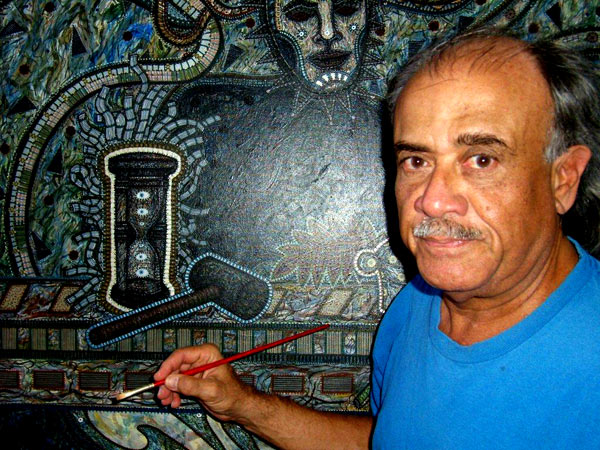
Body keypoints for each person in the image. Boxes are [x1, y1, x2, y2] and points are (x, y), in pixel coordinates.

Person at [154, 29, 600, 448]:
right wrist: (241, 405)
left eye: (481, 160)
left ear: (563, 179)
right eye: (416, 161)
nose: (432, 200)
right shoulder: (417, 302)